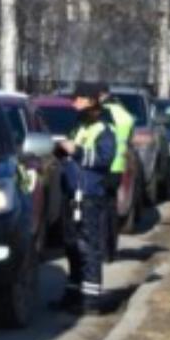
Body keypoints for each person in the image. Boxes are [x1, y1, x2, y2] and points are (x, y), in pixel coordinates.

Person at [55, 80, 118, 313]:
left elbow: (104, 159)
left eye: (79, 99)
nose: (74, 103)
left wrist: (77, 151)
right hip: (73, 194)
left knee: (88, 247)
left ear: (91, 101)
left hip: (91, 195)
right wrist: (61, 152)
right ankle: (73, 294)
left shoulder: (104, 128)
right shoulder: (79, 125)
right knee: (71, 245)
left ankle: (91, 300)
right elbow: (72, 155)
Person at [99, 86, 135, 257]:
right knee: (111, 209)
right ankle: (111, 250)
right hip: (118, 164)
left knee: (100, 210)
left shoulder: (104, 112)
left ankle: (103, 248)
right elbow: (128, 136)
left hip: (103, 164)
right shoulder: (122, 112)